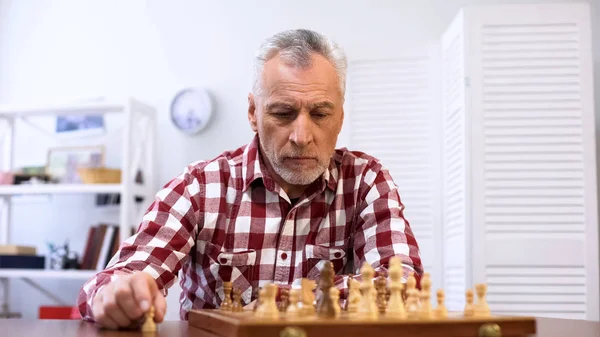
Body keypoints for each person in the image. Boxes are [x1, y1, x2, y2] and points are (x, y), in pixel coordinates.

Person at [77, 28, 423, 329]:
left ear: (341, 116)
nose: (302, 135)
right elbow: (119, 277)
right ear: (253, 113)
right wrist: (116, 294)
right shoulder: (199, 188)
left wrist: (287, 303)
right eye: (283, 113)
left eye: (320, 114)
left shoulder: (365, 181)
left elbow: (402, 285)